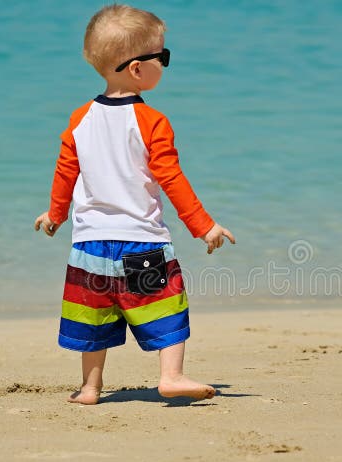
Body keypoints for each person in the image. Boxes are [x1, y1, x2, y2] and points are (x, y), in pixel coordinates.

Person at [34, 4, 235, 405]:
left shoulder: (80, 119)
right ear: (138, 69)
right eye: (163, 57)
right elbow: (171, 179)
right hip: (141, 244)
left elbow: (65, 172)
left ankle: (90, 388)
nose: (165, 64)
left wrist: (55, 214)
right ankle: (171, 376)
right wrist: (204, 226)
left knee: (94, 318)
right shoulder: (152, 122)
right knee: (164, 309)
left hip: (90, 247)